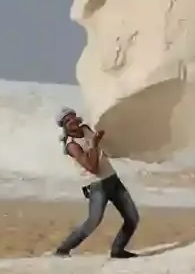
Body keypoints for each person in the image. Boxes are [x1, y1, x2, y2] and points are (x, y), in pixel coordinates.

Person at [53, 107, 140, 259]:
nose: (71, 121)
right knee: (93, 222)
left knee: (132, 217)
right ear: (64, 126)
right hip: (96, 185)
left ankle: (117, 249)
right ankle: (63, 249)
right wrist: (94, 144)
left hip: (112, 178)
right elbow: (92, 167)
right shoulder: (72, 145)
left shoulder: (86, 128)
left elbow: (106, 142)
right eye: (67, 120)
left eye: (72, 117)